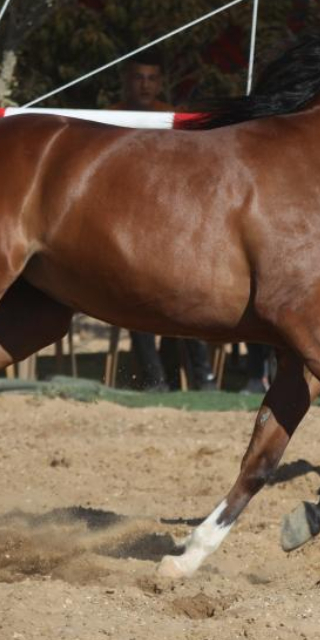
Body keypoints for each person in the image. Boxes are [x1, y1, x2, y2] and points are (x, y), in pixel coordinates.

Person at [106, 52, 215, 391]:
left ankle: (202, 380)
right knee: (134, 301)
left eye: (151, 78)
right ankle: (154, 382)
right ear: (127, 80)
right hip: (122, 225)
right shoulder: (107, 118)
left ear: (160, 82)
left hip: (169, 224)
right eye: (139, 77)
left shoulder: (174, 118)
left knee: (190, 298)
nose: (145, 84)